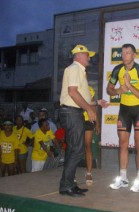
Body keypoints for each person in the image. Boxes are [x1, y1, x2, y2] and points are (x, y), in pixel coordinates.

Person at [106, 43, 139, 192]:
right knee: (123, 143)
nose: (124, 55)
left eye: (128, 53)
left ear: (134, 55)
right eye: (123, 53)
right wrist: (118, 90)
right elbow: (109, 90)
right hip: (124, 110)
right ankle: (123, 178)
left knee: (138, 143)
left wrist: (129, 86)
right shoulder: (117, 69)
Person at [59, 44, 97, 197]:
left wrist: (93, 104)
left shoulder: (77, 70)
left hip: (73, 112)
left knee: (73, 150)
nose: (90, 58)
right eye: (88, 55)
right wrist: (88, 109)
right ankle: (66, 186)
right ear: (79, 56)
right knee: (77, 150)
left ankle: (70, 184)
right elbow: (72, 92)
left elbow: (78, 95)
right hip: (72, 113)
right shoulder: (75, 68)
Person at [84, 86, 109, 185]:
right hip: (76, 119)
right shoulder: (75, 87)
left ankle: (89, 173)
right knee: (75, 147)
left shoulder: (90, 89)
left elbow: (93, 106)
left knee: (88, 146)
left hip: (88, 120)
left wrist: (97, 122)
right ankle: (71, 174)